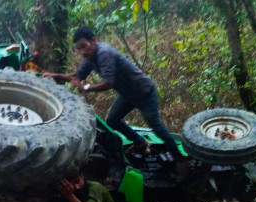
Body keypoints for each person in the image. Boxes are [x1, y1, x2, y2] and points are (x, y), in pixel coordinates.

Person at [43, 26, 188, 177]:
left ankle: (180, 160)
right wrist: (54, 75)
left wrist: (86, 87)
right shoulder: (90, 57)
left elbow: (108, 83)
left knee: (156, 126)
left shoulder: (104, 53)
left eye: (84, 47)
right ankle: (139, 142)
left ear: (93, 41)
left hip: (144, 92)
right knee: (111, 121)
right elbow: (77, 76)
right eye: (79, 49)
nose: (82, 52)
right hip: (128, 94)